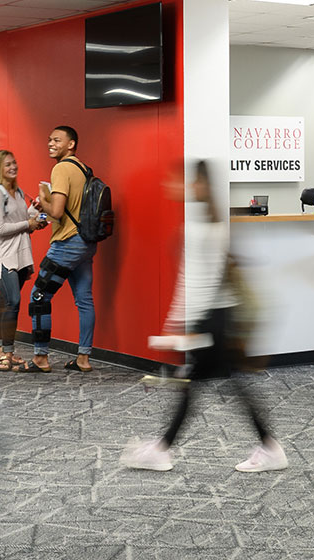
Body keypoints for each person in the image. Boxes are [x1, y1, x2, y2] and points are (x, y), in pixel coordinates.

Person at [121, 159, 290, 473]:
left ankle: (164, 448)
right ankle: (268, 446)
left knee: (198, 383)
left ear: (197, 184)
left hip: (212, 318)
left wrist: (181, 325)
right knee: (212, 383)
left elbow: (197, 282)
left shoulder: (199, 227)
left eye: (182, 181)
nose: (174, 186)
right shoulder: (209, 222)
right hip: (219, 317)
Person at [27, 125, 96, 373]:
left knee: (38, 297)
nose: (51, 143)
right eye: (49, 139)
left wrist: (42, 199)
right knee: (85, 301)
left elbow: (55, 212)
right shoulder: (83, 169)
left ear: (71, 144)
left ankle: (40, 357)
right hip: (86, 244)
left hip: (67, 243)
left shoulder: (61, 168)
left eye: (57, 140)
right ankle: (83, 358)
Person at [0, 150, 44, 371]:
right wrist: (28, 224)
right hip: (3, 257)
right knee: (13, 302)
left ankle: (1, 351)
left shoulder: (17, 192)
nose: (13, 167)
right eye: (7, 164)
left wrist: (33, 215)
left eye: (14, 162)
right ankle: (7, 353)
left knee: (5, 303)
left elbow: (19, 222)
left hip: (19, 256)